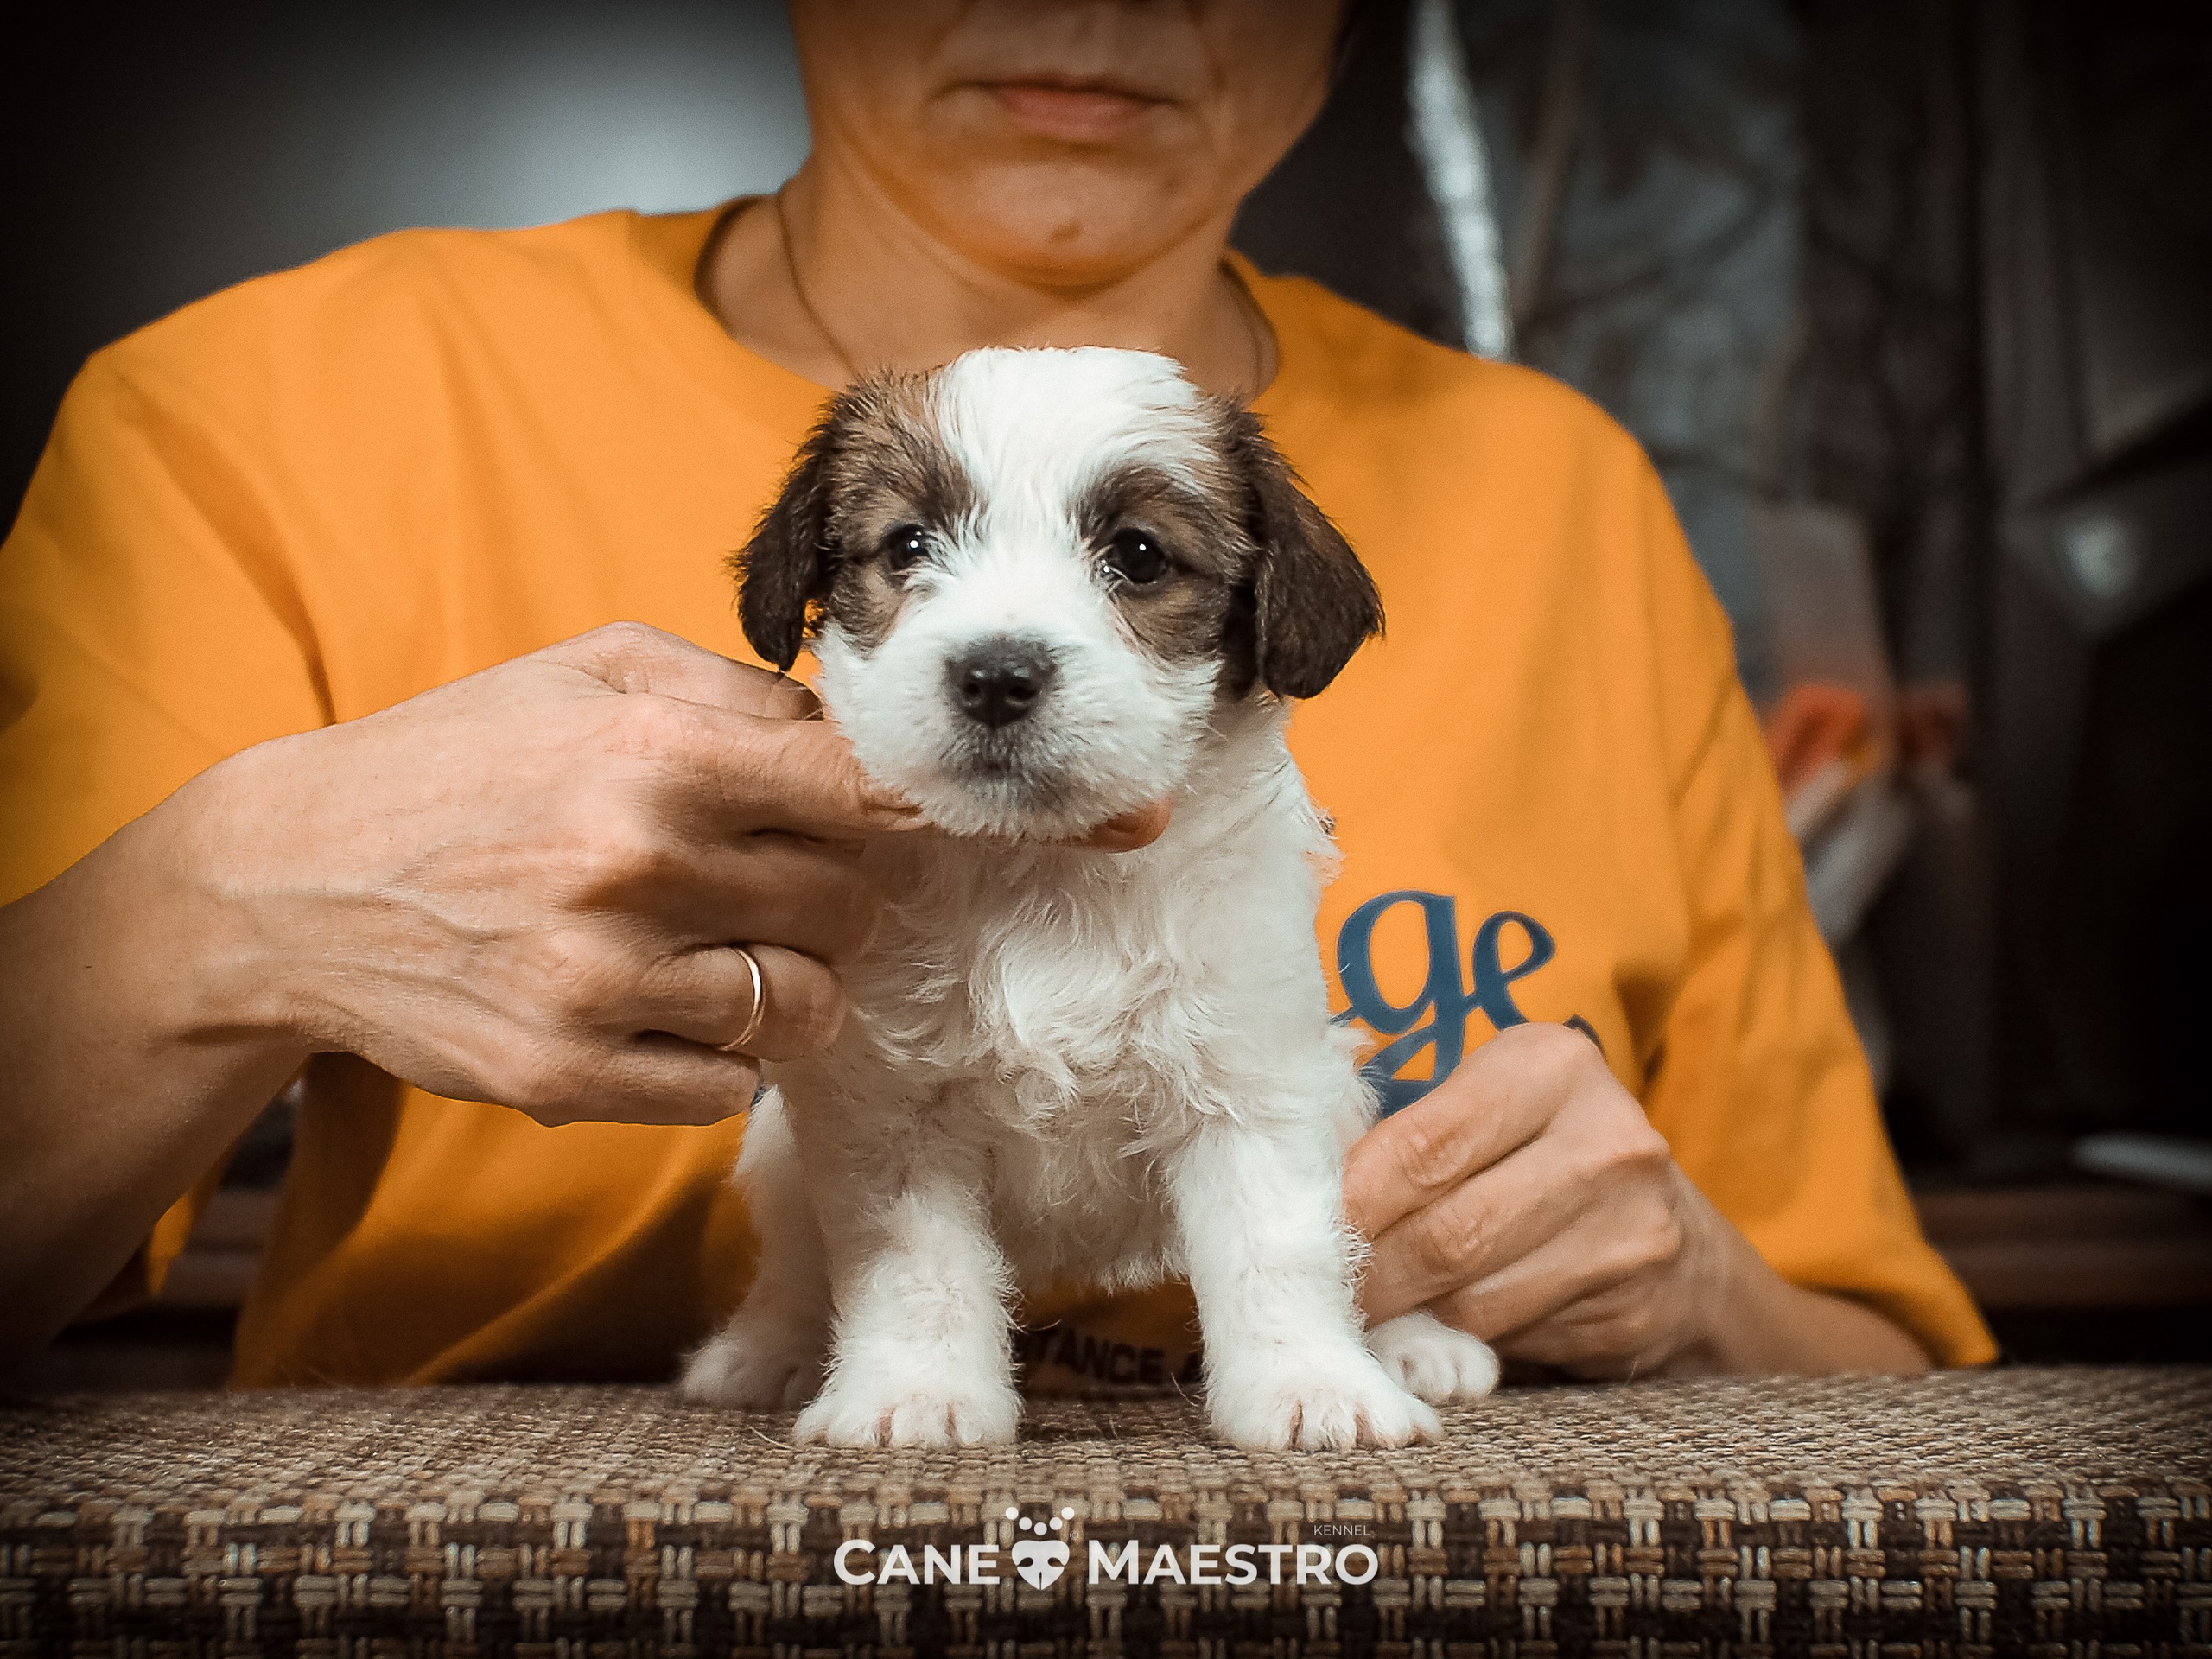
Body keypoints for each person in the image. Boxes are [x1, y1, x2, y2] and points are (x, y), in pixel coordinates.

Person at [0, 0, 1993, 1387]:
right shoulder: (257, 418)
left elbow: (1888, 1384)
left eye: (1140, 563)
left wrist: (1688, 1287)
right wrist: (224, 912)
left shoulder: (1567, 493)